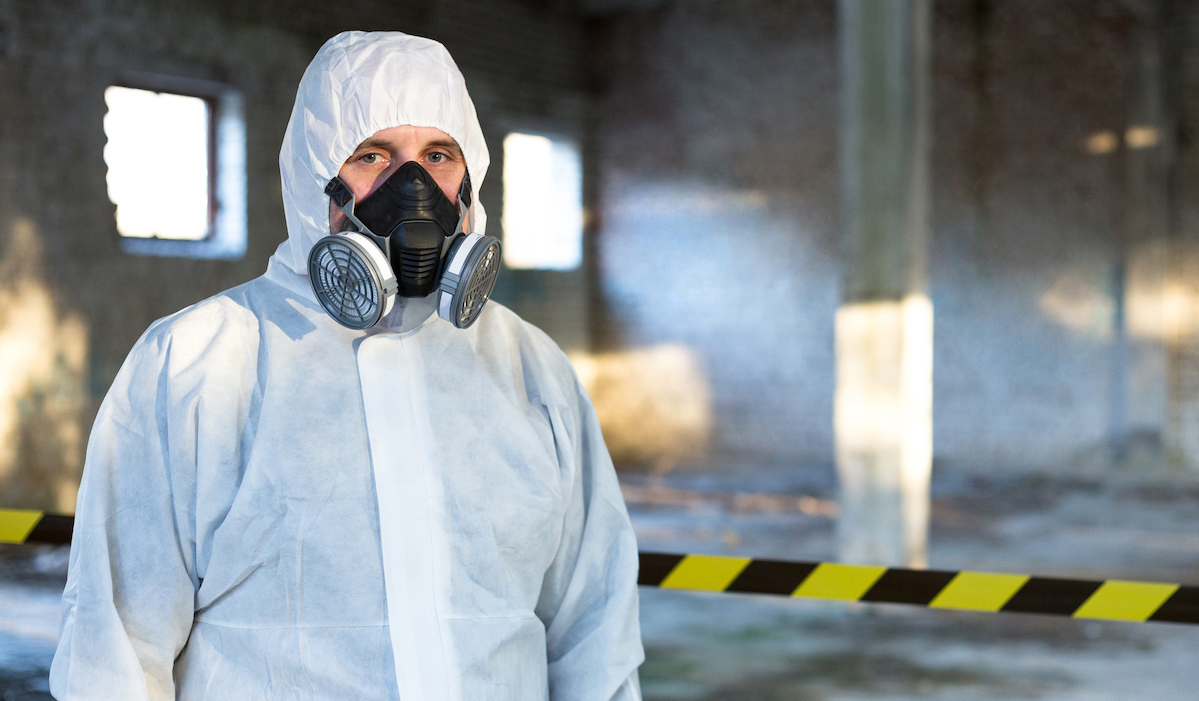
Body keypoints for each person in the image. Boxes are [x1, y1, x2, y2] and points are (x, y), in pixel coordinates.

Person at [49, 31, 644, 700]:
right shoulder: (191, 365)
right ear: (314, 179)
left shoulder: (533, 371)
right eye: (372, 156)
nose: (412, 189)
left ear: (469, 179)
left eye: (438, 155)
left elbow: (595, 641)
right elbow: (115, 655)